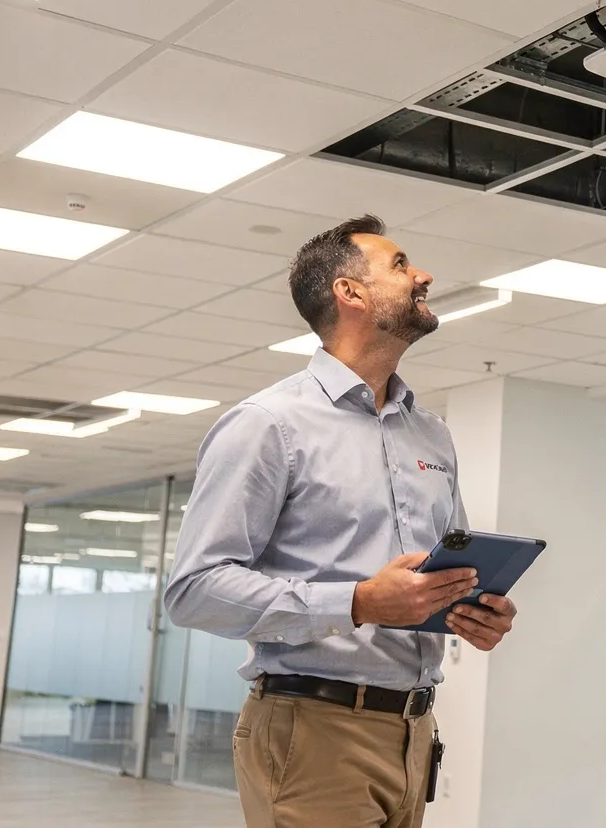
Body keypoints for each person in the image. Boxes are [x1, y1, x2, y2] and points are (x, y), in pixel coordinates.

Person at [164, 215, 518, 828]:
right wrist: (358, 602)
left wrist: (473, 607)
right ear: (349, 293)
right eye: (402, 264)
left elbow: (440, 570)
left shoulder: (430, 432)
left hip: (414, 729)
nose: (424, 275)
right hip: (313, 730)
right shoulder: (269, 424)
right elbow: (194, 592)